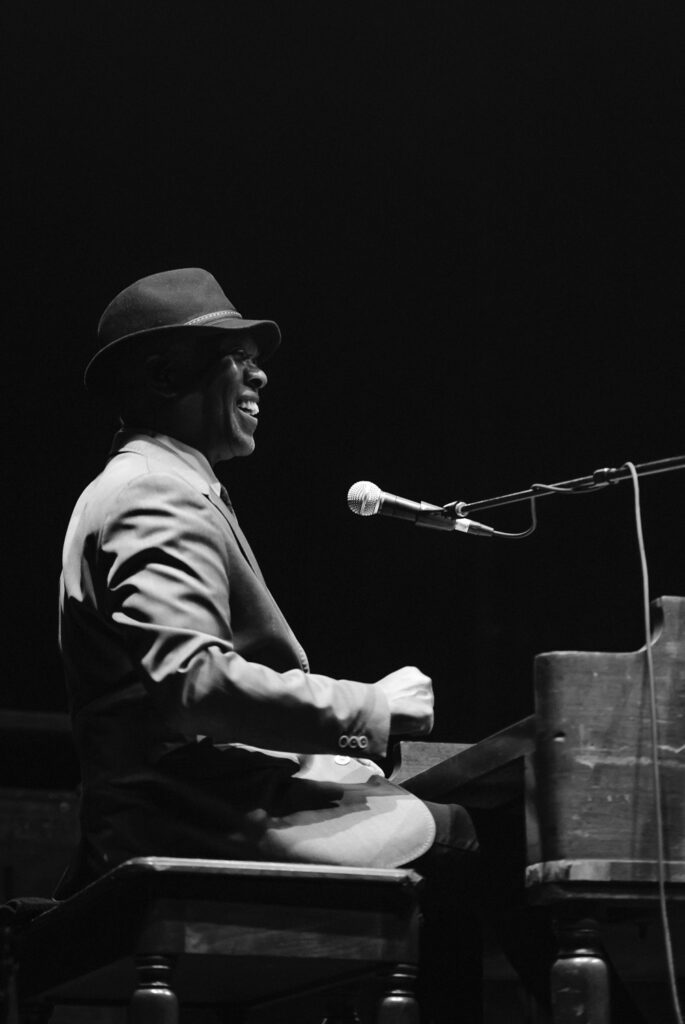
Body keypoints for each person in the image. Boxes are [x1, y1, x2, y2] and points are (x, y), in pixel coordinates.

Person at [56, 267, 527, 1022]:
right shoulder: (154, 491)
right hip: (194, 816)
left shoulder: (161, 482)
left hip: (190, 802)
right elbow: (196, 683)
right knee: (469, 839)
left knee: (441, 820)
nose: (259, 373)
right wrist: (369, 706)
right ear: (164, 372)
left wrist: (337, 741)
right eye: (234, 356)